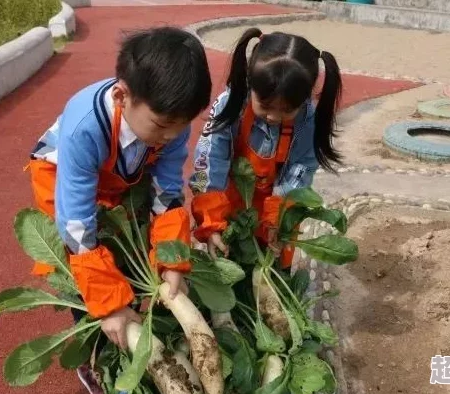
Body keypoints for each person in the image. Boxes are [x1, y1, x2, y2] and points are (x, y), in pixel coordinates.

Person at [26, 27, 212, 393]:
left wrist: (172, 261)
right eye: (162, 126)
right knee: (81, 275)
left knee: (130, 253)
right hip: (63, 181)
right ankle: (94, 359)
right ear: (122, 95)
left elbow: (168, 192)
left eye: (180, 128)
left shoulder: (168, 125)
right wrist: (108, 304)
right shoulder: (84, 127)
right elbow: (76, 225)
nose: (171, 137)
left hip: (121, 179)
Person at [189, 27, 343, 270]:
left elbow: (300, 169)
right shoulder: (231, 105)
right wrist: (212, 221)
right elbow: (210, 160)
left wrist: (276, 221)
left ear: (302, 101)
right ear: (251, 84)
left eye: (286, 110)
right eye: (265, 105)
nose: (273, 116)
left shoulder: (307, 119)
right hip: (228, 203)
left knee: (274, 269)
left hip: (277, 202)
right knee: (223, 264)